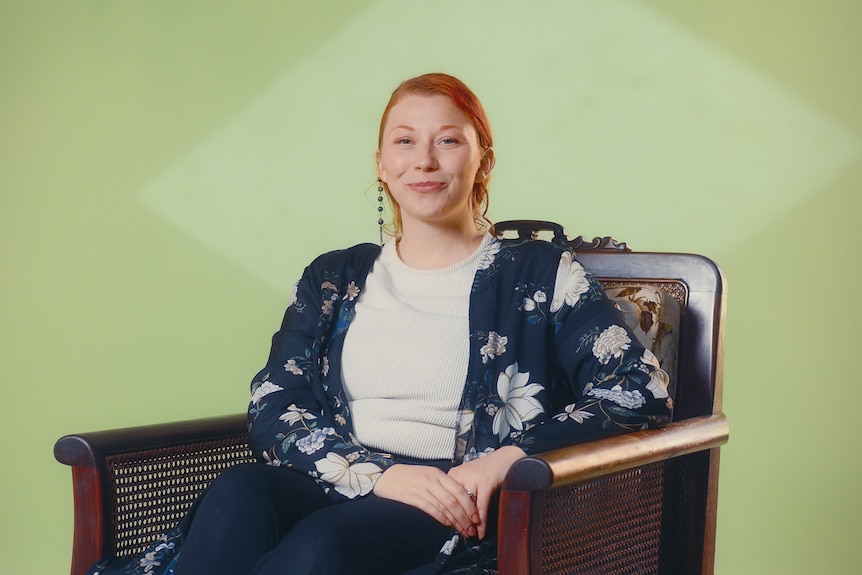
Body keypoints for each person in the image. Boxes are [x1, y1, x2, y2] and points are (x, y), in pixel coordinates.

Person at [88, 72, 672, 575]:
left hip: (447, 498)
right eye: (405, 141)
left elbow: (639, 390)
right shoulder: (333, 277)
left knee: (322, 546)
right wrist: (375, 475)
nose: (424, 160)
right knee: (238, 491)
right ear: (382, 166)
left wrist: (507, 457)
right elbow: (274, 401)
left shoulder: (541, 275)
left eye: (448, 140)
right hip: (342, 473)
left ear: (482, 159)